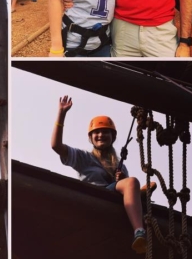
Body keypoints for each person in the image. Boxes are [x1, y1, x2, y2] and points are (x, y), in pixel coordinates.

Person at [51, 96, 147, 254]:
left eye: (105, 132)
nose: (101, 135)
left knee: (130, 183)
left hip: (114, 195)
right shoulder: (84, 158)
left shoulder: (119, 166)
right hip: (95, 195)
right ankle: (139, 227)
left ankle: (139, 230)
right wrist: (61, 114)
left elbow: (127, 183)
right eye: (96, 132)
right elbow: (56, 145)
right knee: (131, 183)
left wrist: (122, 180)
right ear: (90, 138)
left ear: (113, 137)